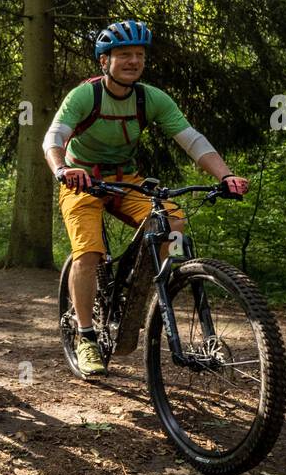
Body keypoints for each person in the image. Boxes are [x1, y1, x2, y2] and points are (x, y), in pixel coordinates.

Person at [44, 19, 249, 377]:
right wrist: (63, 169)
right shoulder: (85, 96)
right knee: (88, 253)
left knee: (175, 221)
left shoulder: (150, 98)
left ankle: (139, 288)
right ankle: (87, 336)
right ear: (104, 61)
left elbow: (193, 140)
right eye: (124, 54)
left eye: (139, 54)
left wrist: (226, 175)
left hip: (127, 182)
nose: (134, 61)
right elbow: (53, 138)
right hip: (81, 180)